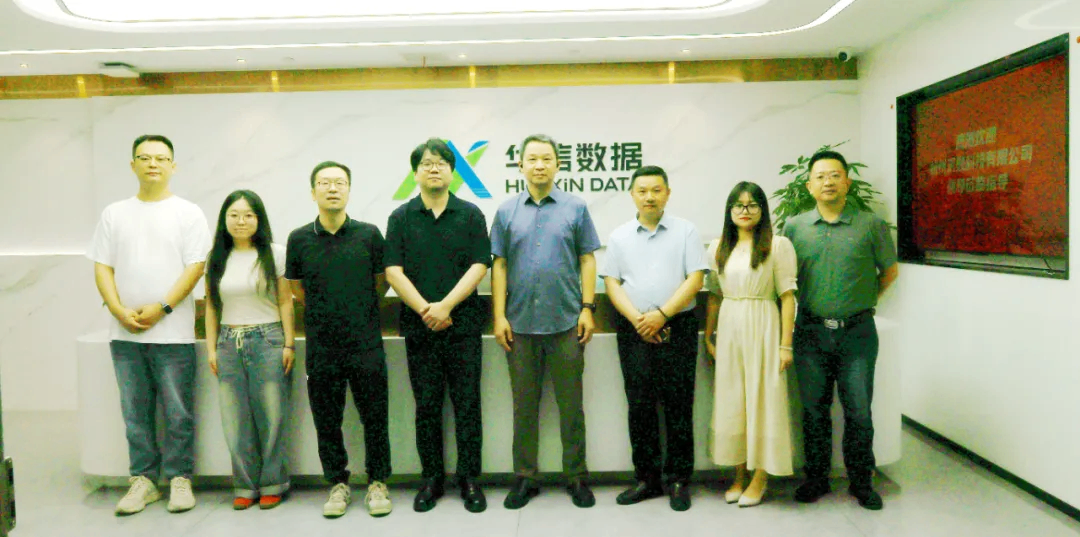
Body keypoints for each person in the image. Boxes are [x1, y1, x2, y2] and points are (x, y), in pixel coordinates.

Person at [87, 134, 211, 515]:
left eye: (160, 158)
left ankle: (179, 478)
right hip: (125, 333)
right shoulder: (114, 214)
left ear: (173, 165)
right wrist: (117, 310)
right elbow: (102, 266)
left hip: (173, 334)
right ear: (133, 165)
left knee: (178, 412)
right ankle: (143, 480)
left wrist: (163, 307)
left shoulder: (188, 213)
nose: (152, 164)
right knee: (135, 413)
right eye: (144, 157)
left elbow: (196, 267)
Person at [781, 150, 899, 511]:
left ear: (847, 182)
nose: (828, 182)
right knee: (814, 411)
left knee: (859, 411)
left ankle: (862, 482)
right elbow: (784, 279)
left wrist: (862, 302)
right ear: (809, 186)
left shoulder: (870, 225)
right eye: (820, 176)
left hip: (857, 334)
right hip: (810, 333)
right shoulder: (794, 228)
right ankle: (816, 479)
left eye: (835, 175)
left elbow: (889, 271)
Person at [491, 134, 601, 510]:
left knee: (572, 407)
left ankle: (577, 476)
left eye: (547, 159)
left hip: (567, 323)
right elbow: (499, 264)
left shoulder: (576, 207)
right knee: (524, 407)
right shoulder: (506, 211)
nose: (539, 165)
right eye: (533, 159)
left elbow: (587, 258)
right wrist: (499, 315)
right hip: (519, 325)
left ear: (558, 164)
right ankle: (526, 477)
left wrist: (587, 307)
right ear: (520, 165)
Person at [385, 138, 491, 513]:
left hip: (463, 327)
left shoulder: (471, 214)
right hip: (419, 329)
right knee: (427, 406)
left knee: (467, 405)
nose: (434, 168)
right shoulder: (400, 217)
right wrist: (425, 310)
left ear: (452, 172)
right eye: (427, 163)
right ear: (415, 173)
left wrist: (445, 306)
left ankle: (470, 479)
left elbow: (480, 265)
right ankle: (431, 479)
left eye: (441, 163)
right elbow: (392, 271)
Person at [285, 161, 393, 518]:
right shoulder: (299, 239)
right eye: (325, 183)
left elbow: (381, 283)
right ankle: (337, 483)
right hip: (322, 345)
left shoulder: (369, 235)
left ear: (349, 189)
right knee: (326, 419)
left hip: (365, 342)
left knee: (374, 417)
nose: (332, 188)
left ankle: (378, 482)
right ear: (312, 191)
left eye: (340, 182)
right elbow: (297, 288)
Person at [601, 166, 707, 512]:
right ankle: (647, 480)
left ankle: (678, 480)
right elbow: (612, 283)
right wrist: (639, 320)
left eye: (656, 190)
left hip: (678, 326)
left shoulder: (686, 231)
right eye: (643, 191)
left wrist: (662, 314)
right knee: (640, 405)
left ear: (667, 193)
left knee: (679, 404)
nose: (650, 197)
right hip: (634, 331)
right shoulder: (619, 236)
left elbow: (695, 279)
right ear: (632, 194)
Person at [703, 181, 797, 508]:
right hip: (730, 325)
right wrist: (709, 335)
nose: (745, 211)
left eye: (752, 205)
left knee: (763, 400)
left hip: (764, 323)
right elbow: (714, 295)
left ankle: (760, 477)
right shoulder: (718, 247)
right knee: (733, 401)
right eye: (739, 205)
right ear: (729, 211)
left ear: (762, 210)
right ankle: (738, 474)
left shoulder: (778, 245)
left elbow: (788, 297)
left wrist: (785, 346)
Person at [204, 190, 295, 510]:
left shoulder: (276, 254)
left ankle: (273, 483)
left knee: (272, 417)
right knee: (234, 420)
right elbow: (212, 306)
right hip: (228, 342)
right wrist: (212, 349)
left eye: (248, 215)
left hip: (268, 339)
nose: (240, 221)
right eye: (234, 215)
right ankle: (244, 485)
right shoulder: (216, 257)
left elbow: (285, 300)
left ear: (259, 219)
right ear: (224, 220)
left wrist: (288, 343)